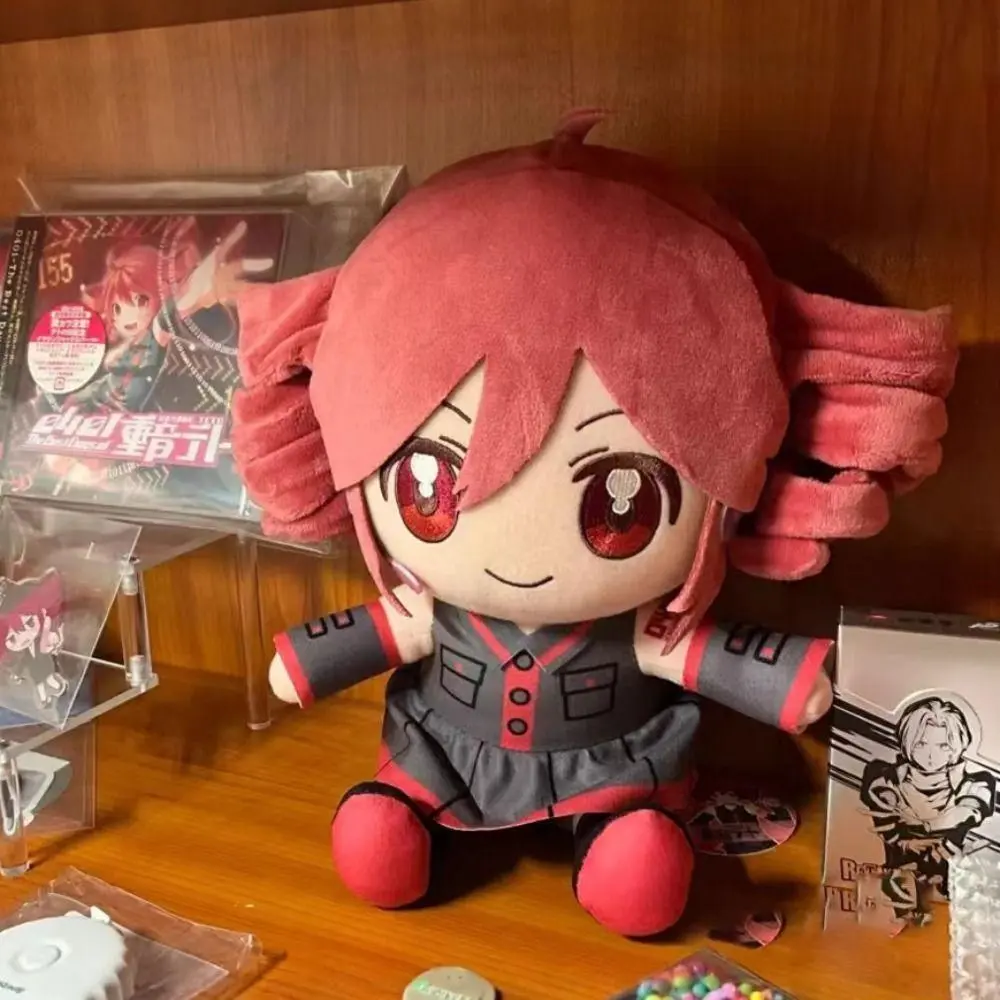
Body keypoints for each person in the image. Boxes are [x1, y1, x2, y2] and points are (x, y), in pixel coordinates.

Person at [231, 111, 957, 937]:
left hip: (610, 765)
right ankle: (400, 816)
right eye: (430, 488)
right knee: (383, 827)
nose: (518, 551)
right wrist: (305, 662)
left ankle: (617, 847)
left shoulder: (646, 627)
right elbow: (353, 642)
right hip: (446, 751)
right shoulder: (432, 611)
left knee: (635, 855)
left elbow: (725, 659)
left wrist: (789, 683)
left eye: (622, 503)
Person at [860, 696, 996, 903]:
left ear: (957, 746)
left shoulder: (976, 784)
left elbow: (969, 811)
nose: (931, 755)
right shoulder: (884, 779)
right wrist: (906, 846)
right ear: (908, 741)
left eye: (943, 746)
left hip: (954, 889)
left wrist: (936, 837)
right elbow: (884, 824)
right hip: (896, 885)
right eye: (921, 744)